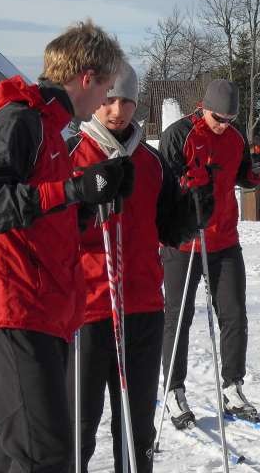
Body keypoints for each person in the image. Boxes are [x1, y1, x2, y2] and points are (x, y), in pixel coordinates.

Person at [0, 20, 131, 472]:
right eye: (107, 89)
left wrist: (94, 199)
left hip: (43, 312)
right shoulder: (19, 120)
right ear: (87, 78)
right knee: (46, 456)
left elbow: (46, 220)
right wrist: (72, 190)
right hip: (12, 307)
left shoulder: (51, 131)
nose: (107, 100)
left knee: (23, 456)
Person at [66, 62, 213, 472]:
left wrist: (196, 207)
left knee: (136, 427)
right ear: (95, 97)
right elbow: (54, 230)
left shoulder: (151, 161)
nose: (117, 110)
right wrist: (87, 201)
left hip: (144, 308)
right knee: (79, 425)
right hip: (89, 310)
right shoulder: (72, 155)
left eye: (127, 101)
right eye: (109, 100)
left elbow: (169, 230)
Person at [159, 78, 260, 427]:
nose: (223, 125)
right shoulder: (179, 135)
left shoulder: (234, 138)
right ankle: (174, 390)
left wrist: (254, 171)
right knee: (178, 316)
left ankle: (233, 386)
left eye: (229, 119)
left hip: (224, 239)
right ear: (204, 108)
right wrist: (185, 184)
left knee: (234, 314)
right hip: (183, 241)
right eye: (218, 118)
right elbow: (161, 186)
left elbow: (242, 176)